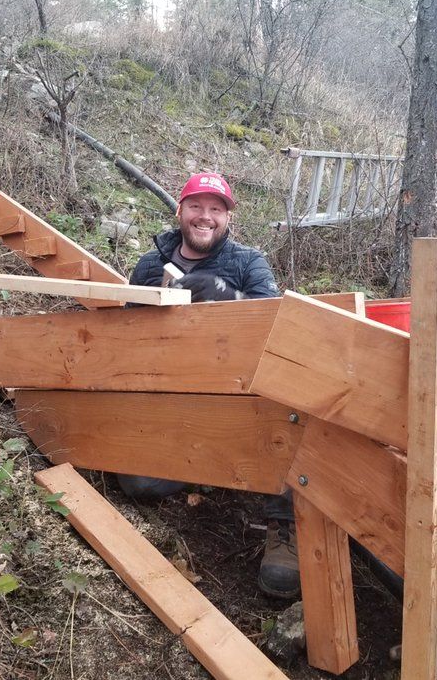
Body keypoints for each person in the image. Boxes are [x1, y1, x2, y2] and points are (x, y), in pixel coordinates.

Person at [124, 172, 299, 598]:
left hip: (241, 397)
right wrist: (141, 306)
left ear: (227, 218)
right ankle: (204, 464)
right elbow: (123, 341)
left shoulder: (246, 263)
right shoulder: (149, 264)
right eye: (197, 207)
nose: (206, 217)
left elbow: (278, 322)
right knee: (141, 486)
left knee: (285, 398)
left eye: (216, 209)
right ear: (180, 211)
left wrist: (227, 296)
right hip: (171, 395)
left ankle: (284, 523)